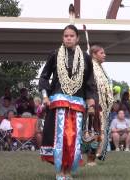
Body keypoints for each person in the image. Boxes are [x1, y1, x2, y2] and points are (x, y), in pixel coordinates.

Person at [38, 25, 96, 179]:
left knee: (73, 138)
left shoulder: (85, 57)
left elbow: (90, 82)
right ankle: (59, 171)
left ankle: (69, 170)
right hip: (58, 102)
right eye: (66, 36)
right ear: (62, 38)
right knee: (61, 137)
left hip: (78, 103)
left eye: (71, 36)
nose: (68, 38)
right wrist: (45, 96)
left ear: (77, 38)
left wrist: (91, 102)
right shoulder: (55, 54)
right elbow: (44, 77)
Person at [82, 45, 113, 165]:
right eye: (101, 53)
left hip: (102, 106)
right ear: (94, 54)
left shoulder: (101, 69)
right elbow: (88, 86)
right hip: (94, 103)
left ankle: (94, 157)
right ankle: (90, 159)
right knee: (93, 131)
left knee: (99, 131)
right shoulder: (90, 67)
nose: (104, 55)